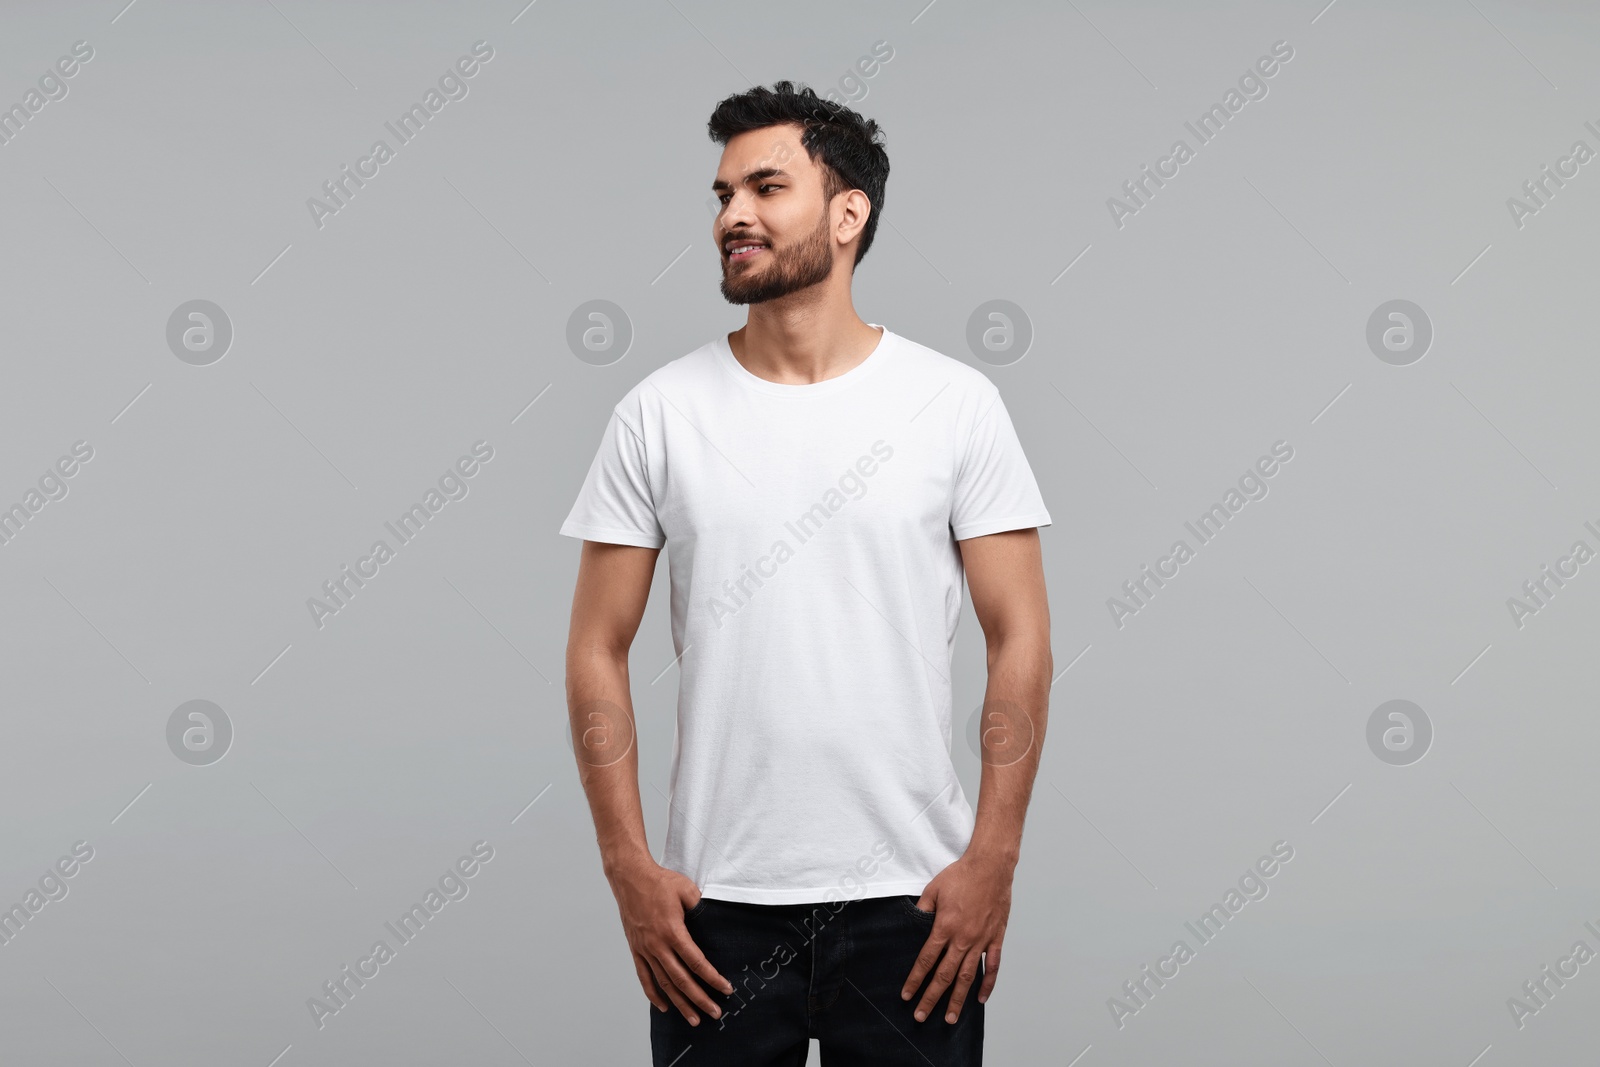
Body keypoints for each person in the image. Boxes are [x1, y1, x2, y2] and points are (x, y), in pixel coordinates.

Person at [560, 80, 1053, 1066]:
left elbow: (1022, 638)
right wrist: (627, 864)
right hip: (716, 909)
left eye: (765, 187)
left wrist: (992, 855)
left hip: (913, 900)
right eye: (721, 193)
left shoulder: (954, 404)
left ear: (846, 212)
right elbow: (593, 648)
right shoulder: (658, 414)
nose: (731, 215)